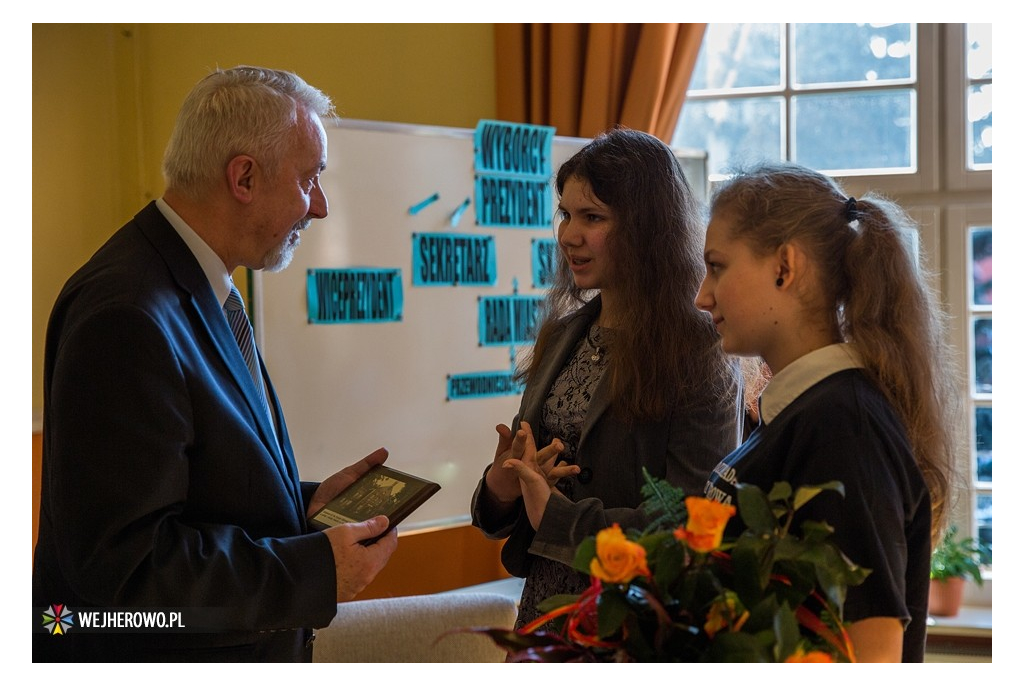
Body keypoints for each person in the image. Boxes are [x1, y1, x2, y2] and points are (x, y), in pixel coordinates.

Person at [32, 66, 398, 662]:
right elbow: (126, 578)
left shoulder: (201, 286)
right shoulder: (126, 314)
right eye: (310, 180)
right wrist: (312, 571)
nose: (322, 207)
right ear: (244, 177)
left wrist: (299, 508)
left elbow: (190, 485)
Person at [471, 127, 744, 628]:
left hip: (635, 626)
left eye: (592, 217)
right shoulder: (565, 333)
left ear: (646, 229)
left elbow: (693, 520)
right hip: (544, 615)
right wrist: (503, 486)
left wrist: (556, 517)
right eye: (566, 215)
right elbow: (513, 505)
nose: (568, 235)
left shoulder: (701, 349)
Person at [694, 161, 959, 662]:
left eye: (717, 266)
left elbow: (872, 652)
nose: (702, 296)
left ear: (784, 268)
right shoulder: (806, 410)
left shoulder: (844, 426)